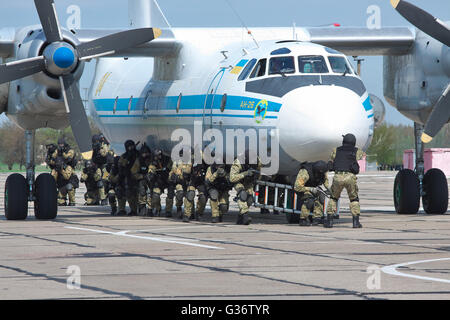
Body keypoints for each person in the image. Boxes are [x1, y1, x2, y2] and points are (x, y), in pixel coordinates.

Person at [325, 133, 365, 228]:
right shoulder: (357, 151)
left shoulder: (336, 150)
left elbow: (331, 161)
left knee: (333, 198)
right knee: (353, 199)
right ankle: (356, 222)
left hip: (338, 176)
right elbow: (361, 155)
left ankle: (329, 221)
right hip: (350, 177)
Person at [294, 161, 330, 226]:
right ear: (317, 172)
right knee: (309, 200)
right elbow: (297, 187)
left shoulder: (323, 171)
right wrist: (311, 189)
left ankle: (317, 218)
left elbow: (325, 181)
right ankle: (303, 219)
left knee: (321, 197)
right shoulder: (305, 172)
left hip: (314, 187)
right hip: (303, 188)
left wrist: (329, 190)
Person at [230, 150, 261, 225]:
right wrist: (245, 173)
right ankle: (245, 215)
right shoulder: (238, 162)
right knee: (242, 195)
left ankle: (241, 217)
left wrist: (256, 178)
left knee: (250, 199)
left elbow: (259, 171)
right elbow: (232, 178)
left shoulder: (258, 161)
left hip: (248, 181)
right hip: (239, 181)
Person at [148, 149, 173, 217]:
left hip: (167, 180)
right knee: (155, 195)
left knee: (170, 194)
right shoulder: (153, 163)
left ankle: (168, 211)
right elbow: (151, 170)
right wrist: (151, 175)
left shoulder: (167, 160)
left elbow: (172, 168)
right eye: (157, 156)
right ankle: (158, 209)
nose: (158, 157)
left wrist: (170, 175)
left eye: (159, 155)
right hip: (158, 181)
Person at [130, 143, 153, 216]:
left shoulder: (152, 159)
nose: (145, 155)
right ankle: (142, 207)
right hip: (142, 179)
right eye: (144, 153)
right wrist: (142, 176)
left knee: (151, 193)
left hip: (152, 179)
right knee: (142, 189)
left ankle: (150, 209)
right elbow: (133, 173)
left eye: (147, 153)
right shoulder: (139, 161)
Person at [118, 140, 139, 216]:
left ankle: (138, 209)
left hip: (137, 176)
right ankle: (131, 209)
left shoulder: (138, 154)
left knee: (137, 193)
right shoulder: (124, 156)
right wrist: (128, 157)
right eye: (129, 147)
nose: (131, 148)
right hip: (127, 176)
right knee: (128, 193)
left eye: (132, 146)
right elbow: (120, 166)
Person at [184, 155, 208, 222]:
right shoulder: (191, 161)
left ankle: (199, 213)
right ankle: (187, 215)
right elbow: (186, 172)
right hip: (193, 181)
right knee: (190, 194)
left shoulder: (206, 163)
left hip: (201, 182)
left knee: (203, 197)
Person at [169, 152, 192, 221]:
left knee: (189, 196)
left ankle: (187, 214)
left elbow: (189, 171)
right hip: (180, 182)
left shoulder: (189, 162)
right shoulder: (176, 162)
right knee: (180, 193)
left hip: (188, 182)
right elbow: (173, 171)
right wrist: (173, 177)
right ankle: (179, 207)